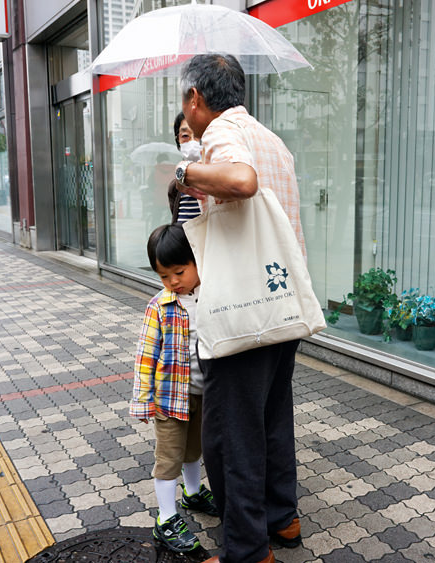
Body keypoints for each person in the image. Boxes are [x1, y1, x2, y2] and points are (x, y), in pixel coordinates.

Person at [174, 54, 304, 563]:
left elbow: (243, 183)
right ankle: (283, 520)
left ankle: (248, 551)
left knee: (230, 434)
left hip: (240, 308)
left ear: (195, 99)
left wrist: (185, 170)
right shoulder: (272, 138)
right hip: (281, 301)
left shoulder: (221, 135)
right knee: (273, 417)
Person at [131, 223, 218, 554]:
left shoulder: (210, 296)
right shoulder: (160, 306)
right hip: (169, 400)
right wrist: (142, 402)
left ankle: (193, 494)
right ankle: (166, 518)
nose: (173, 282)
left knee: (194, 450)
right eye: (164, 276)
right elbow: (145, 357)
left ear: (197, 260)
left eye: (179, 272)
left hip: (203, 394)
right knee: (168, 458)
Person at [168, 112, 202, 223]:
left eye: (199, 135)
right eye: (185, 136)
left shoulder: (220, 178)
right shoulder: (175, 187)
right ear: (178, 140)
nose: (193, 142)